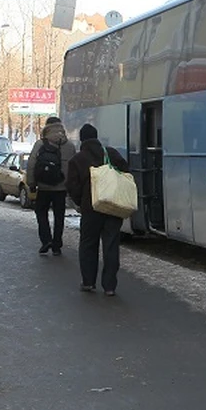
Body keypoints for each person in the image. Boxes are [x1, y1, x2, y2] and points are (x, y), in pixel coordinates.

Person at [65, 123, 129, 295]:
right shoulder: (111, 153)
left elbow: (72, 186)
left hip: (91, 209)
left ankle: (88, 282)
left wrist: (82, 201)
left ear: (82, 139)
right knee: (111, 246)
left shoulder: (77, 160)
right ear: (97, 136)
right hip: (112, 206)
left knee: (88, 245)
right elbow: (126, 171)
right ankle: (109, 286)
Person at [26, 116, 77, 256]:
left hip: (44, 186)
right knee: (59, 217)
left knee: (41, 213)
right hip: (61, 188)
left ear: (47, 127)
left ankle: (46, 239)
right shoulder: (69, 145)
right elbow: (74, 168)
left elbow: (31, 165)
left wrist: (31, 183)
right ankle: (56, 245)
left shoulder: (40, 144)